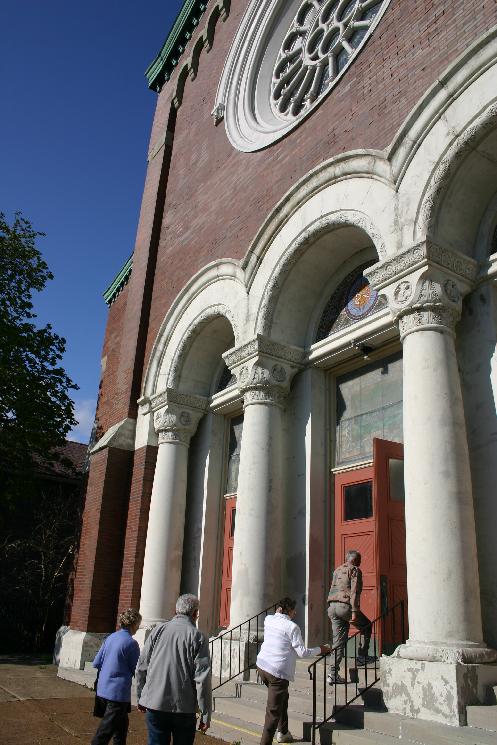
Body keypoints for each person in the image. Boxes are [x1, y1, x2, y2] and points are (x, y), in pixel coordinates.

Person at [136, 594, 211, 745]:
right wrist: (205, 714)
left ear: (175, 610)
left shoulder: (158, 630)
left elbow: (142, 666)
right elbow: (202, 679)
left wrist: (141, 697)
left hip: (154, 703)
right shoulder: (198, 637)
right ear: (195, 613)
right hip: (183, 708)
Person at [256, 597, 330, 745]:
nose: (295, 613)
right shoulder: (292, 627)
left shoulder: (268, 619)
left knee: (283, 698)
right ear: (287, 610)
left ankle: (283, 732)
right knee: (272, 713)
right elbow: (302, 652)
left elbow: (279, 628)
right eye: (293, 610)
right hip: (277, 672)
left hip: (262, 666)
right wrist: (321, 649)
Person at [91, 607, 142, 745]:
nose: (138, 627)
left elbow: (97, 662)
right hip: (117, 694)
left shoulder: (111, 637)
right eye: (138, 624)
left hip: (102, 689)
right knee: (103, 734)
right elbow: (135, 669)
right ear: (133, 624)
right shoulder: (132, 643)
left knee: (121, 728)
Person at [327, 549, 376, 684]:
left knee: (338, 642)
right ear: (354, 560)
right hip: (345, 607)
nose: (360, 563)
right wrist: (354, 611)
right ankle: (362, 656)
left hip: (332, 607)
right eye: (359, 560)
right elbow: (354, 592)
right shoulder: (355, 570)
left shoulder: (337, 570)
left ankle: (332, 674)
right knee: (367, 625)